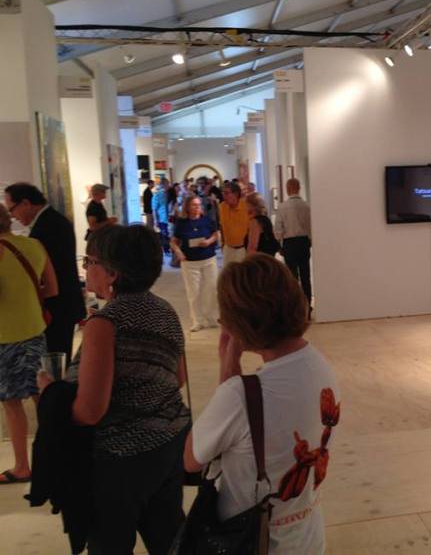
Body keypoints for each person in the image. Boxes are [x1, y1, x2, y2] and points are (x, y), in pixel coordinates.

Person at [46, 224, 190, 554]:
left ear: (112, 273)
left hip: (119, 459)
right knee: (169, 540)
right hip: (168, 445)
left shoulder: (104, 324)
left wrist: (51, 393)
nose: (86, 268)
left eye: (90, 261)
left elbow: (89, 412)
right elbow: (178, 377)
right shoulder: (164, 310)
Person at [184, 254, 340, 554]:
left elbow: (192, 459)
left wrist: (228, 368)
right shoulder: (320, 365)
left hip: (255, 542)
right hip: (308, 536)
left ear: (238, 323)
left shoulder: (240, 395)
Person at [0, 204, 58, 484]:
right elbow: (52, 288)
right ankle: (57, 460)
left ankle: (22, 466)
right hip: (35, 329)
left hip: (4, 336)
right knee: (42, 399)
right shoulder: (34, 245)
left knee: (12, 404)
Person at [4, 183, 86, 360]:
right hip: (63, 304)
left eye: (12, 209)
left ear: (25, 203)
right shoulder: (52, 221)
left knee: (54, 360)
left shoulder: (46, 228)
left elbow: (51, 280)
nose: (13, 216)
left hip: (56, 308)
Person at [172, 196, 219, 332]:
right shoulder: (182, 223)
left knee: (210, 289)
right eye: (194, 205)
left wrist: (208, 242)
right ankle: (197, 320)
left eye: (199, 205)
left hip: (208, 259)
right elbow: (174, 241)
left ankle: (210, 317)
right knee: (193, 292)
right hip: (190, 262)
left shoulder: (207, 220)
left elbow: (216, 234)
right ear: (187, 207)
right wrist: (178, 252)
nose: (197, 207)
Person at [274, 178, 312, 307]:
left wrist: (280, 244)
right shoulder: (306, 206)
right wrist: (310, 240)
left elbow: (278, 229)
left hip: (289, 243)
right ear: (299, 188)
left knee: (292, 276)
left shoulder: (282, 207)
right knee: (305, 275)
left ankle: (296, 306)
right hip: (304, 242)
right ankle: (307, 305)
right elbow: (311, 226)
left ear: (287, 189)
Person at [218, 181, 249, 265]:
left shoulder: (246, 206)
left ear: (236, 194)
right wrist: (222, 243)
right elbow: (222, 226)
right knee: (228, 271)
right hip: (228, 248)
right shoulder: (222, 206)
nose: (223, 196)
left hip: (243, 249)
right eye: (223, 193)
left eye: (226, 193)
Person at [246, 193, 280, 258]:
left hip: (259, 259)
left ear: (251, 206)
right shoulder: (266, 219)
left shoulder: (255, 222)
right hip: (269, 258)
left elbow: (252, 247)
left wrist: (248, 261)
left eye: (246, 205)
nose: (245, 207)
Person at [152, 178, 170, 254]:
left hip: (170, 218)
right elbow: (154, 209)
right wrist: (155, 220)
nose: (168, 186)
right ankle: (166, 250)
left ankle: (169, 248)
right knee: (164, 234)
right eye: (167, 184)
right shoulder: (157, 195)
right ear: (163, 184)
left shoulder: (169, 194)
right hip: (162, 218)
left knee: (169, 234)